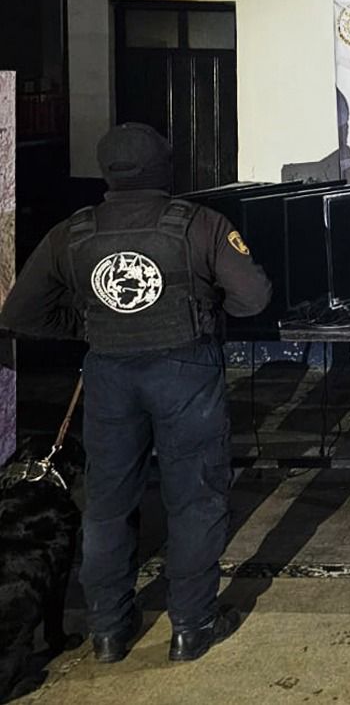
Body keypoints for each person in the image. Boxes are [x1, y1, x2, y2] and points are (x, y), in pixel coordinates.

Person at [0, 123, 271, 663]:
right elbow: (253, 297)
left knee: (107, 504)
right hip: (185, 371)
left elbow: (20, 312)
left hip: (109, 375)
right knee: (194, 499)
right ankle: (191, 628)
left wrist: (88, 325)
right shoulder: (199, 224)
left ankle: (108, 632)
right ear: (165, 167)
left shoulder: (71, 233)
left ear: (107, 171)